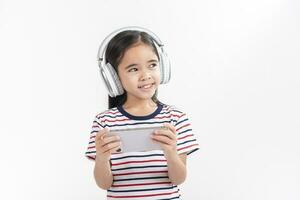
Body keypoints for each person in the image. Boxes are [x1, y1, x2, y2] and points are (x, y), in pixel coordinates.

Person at [85, 27, 199, 200]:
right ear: (114, 78)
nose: (146, 75)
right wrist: (101, 158)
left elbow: (179, 178)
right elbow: (104, 184)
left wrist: (170, 153)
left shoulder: (175, 118)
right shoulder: (104, 121)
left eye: (152, 65)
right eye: (133, 69)